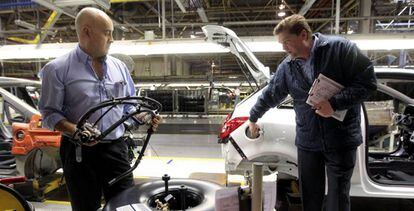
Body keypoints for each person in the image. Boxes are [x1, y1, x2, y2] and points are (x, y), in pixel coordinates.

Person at [248, 14, 377, 211]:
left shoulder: (340, 49)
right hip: (309, 141)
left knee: (338, 198)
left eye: (287, 42)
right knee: (310, 198)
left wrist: (335, 103)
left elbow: (368, 83)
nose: (284, 49)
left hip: (341, 139)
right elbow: (272, 93)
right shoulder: (288, 67)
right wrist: (253, 117)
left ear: (303, 35)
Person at [38, 7, 161, 211]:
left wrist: (145, 117)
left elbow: (130, 107)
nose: (112, 38)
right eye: (107, 32)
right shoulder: (57, 69)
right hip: (79, 153)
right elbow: (49, 113)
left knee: (125, 204)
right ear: (86, 32)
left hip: (116, 149)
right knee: (86, 207)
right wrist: (75, 130)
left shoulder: (119, 67)